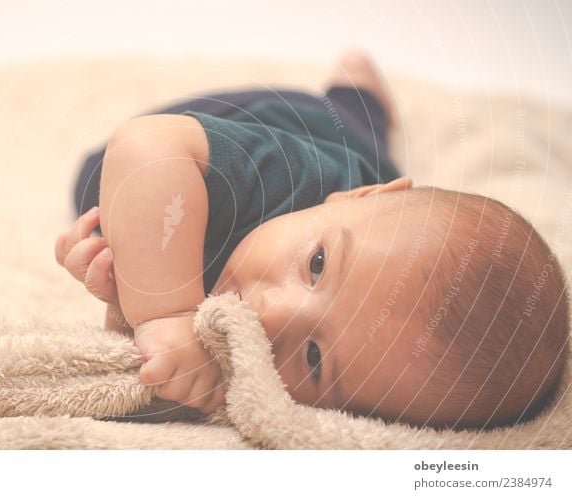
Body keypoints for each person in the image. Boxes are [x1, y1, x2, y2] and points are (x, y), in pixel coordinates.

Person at [55, 51, 569, 429]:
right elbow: (146, 147)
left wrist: (125, 297)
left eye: (315, 360)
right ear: (357, 199)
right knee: (355, 120)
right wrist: (164, 313)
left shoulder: (245, 359)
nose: (270, 313)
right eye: (317, 265)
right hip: (296, 124)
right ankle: (359, 82)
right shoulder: (286, 175)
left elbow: (151, 358)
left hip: (369, 190)